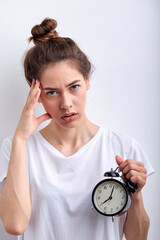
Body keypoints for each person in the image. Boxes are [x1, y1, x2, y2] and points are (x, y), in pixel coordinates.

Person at [0, 18, 154, 240]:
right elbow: (14, 226)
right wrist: (19, 140)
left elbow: (137, 238)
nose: (66, 104)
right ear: (37, 94)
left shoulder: (123, 147)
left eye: (74, 87)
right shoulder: (16, 148)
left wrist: (136, 196)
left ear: (87, 81)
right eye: (52, 92)